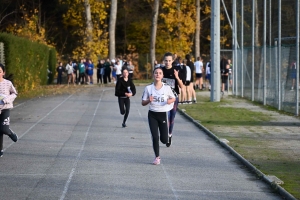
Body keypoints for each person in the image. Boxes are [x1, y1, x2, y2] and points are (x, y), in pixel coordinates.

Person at [141, 67, 176, 165]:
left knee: (164, 140)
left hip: (163, 114)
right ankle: (157, 157)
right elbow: (143, 103)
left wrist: (169, 101)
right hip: (152, 114)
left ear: (162, 76)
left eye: (160, 73)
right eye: (156, 73)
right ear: (153, 75)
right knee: (155, 136)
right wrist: (149, 100)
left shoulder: (167, 88)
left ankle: (166, 137)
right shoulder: (148, 88)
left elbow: (174, 98)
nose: (157, 74)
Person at [161, 52, 183, 147]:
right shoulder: (160, 70)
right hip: (163, 97)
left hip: (173, 97)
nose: (167, 62)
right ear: (163, 61)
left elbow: (182, 86)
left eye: (169, 61)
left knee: (171, 117)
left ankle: (169, 134)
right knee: (162, 117)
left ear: (172, 61)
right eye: (166, 61)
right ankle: (164, 134)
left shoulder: (176, 70)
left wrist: (177, 77)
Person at [0, 63, 18, 158]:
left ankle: (10, 132)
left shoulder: (8, 83)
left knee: (4, 129)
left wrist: (6, 99)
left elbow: (15, 94)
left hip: (5, 108)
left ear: (3, 73)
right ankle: (0, 150)